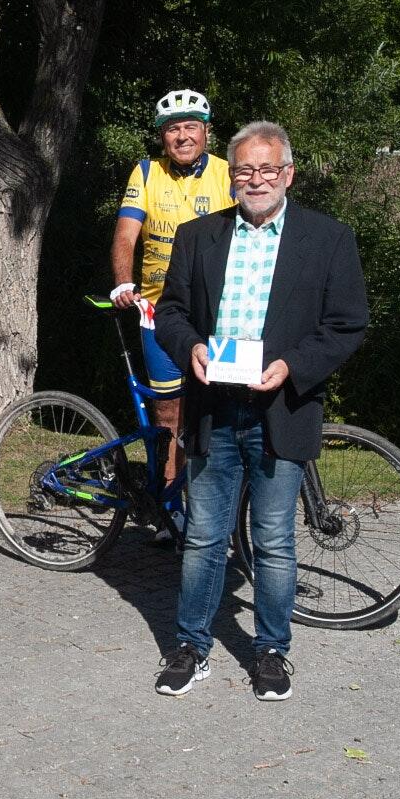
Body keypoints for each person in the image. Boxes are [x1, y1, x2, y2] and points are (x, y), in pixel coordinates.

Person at [153, 120, 368, 701]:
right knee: (203, 537)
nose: (255, 180)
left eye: (267, 169)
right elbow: (170, 312)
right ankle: (190, 645)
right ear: (232, 175)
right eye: (244, 170)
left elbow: (346, 324)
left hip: (281, 407)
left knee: (273, 539)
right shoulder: (199, 236)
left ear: (288, 174)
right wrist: (191, 347)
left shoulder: (327, 239)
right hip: (213, 407)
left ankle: (272, 650)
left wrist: (294, 366)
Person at [109, 89, 235, 504]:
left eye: (190, 127)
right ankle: (166, 501)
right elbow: (126, 235)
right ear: (163, 136)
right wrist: (124, 282)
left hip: (216, 314)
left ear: (206, 133)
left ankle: (213, 500)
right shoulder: (145, 173)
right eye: (173, 129)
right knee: (167, 415)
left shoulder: (228, 173)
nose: (182, 136)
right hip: (159, 313)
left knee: (224, 407)